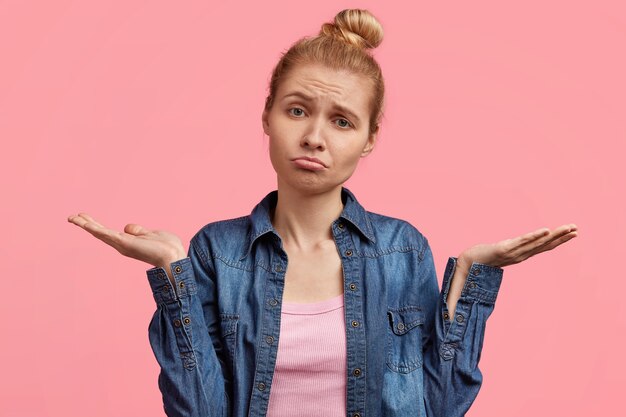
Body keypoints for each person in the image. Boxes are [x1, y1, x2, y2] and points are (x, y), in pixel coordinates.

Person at [67, 8, 578, 417]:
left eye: (342, 121)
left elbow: (440, 407)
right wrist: (171, 270)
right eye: (296, 110)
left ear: (370, 139)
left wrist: (469, 273)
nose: (314, 136)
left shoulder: (401, 249)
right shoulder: (216, 252)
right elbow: (199, 410)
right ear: (266, 115)